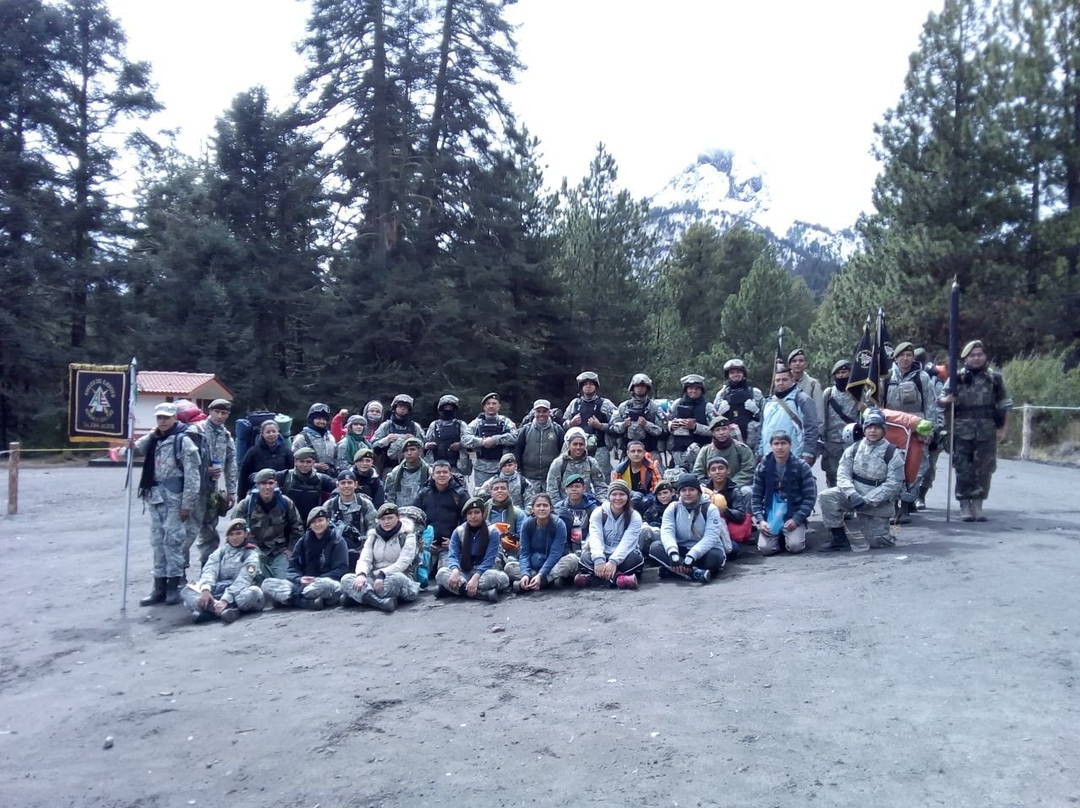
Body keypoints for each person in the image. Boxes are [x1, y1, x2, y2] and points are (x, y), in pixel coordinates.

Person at [132, 402, 203, 606]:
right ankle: (159, 586)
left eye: (166, 417)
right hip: (155, 497)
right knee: (157, 542)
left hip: (175, 499)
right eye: (159, 418)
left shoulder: (184, 441)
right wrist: (123, 446)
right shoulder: (153, 438)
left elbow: (192, 476)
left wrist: (187, 504)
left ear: (174, 418)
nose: (162, 421)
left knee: (173, 542)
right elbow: (135, 448)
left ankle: (175, 584)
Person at [939, 340, 1012, 521]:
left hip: (986, 429)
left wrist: (1004, 429)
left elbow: (1005, 404)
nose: (977, 358)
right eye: (973, 355)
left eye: (980, 354)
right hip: (961, 430)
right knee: (963, 468)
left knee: (985, 468)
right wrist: (946, 400)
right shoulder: (956, 378)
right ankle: (964, 504)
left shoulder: (994, 378)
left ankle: (978, 504)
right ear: (966, 358)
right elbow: (940, 400)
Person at [818, 409, 905, 552]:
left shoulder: (893, 454)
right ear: (864, 429)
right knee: (827, 497)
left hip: (877, 503)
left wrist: (867, 500)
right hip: (853, 496)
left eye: (877, 427)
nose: (873, 431)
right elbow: (842, 474)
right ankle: (839, 540)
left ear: (884, 430)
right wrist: (852, 493)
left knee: (878, 543)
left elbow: (893, 485)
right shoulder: (854, 449)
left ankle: (883, 532)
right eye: (869, 427)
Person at [885, 341, 940, 521]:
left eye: (909, 355)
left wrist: (930, 430)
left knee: (916, 466)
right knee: (892, 465)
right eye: (902, 355)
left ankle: (907, 503)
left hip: (917, 427)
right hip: (894, 427)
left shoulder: (922, 377)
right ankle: (892, 503)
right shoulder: (886, 377)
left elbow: (931, 405)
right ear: (896, 357)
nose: (905, 358)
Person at [182, 398, 238, 570]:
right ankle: (178, 573)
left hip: (212, 490)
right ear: (210, 411)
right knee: (188, 532)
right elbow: (184, 460)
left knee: (210, 532)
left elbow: (231, 463)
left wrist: (231, 491)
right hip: (193, 489)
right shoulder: (195, 431)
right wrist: (205, 470)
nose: (220, 416)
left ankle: (208, 570)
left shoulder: (226, 435)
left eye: (224, 413)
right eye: (217, 412)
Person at [261, 506, 348, 610]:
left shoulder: (337, 540)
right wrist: (299, 579)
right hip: (303, 584)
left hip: (325, 581)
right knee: (267, 584)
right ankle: (306, 601)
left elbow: (341, 569)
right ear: (310, 525)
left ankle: (292, 600)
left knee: (326, 585)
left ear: (327, 521)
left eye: (320, 520)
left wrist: (316, 580)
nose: (317, 524)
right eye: (313, 522)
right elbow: (292, 568)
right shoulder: (304, 541)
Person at [339, 502, 422, 612]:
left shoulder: (408, 536)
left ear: (398, 517)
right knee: (346, 579)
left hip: (398, 576)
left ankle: (359, 597)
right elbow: (365, 558)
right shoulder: (373, 536)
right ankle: (381, 602)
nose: (386, 522)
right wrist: (361, 574)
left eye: (390, 518)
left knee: (397, 579)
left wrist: (383, 574)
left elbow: (403, 562)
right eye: (383, 519)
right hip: (375, 578)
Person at [180, 518, 265, 623]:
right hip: (219, 590)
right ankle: (222, 610)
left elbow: (244, 579)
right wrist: (206, 589)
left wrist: (226, 599)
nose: (234, 537)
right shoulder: (221, 551)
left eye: (238, 533)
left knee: (253, 592)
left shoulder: (251, 554)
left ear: (246, 534)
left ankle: (215, 610)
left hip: (240, 591)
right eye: (231, 534)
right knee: (186, 591)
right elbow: (210, 569)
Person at [650, 472, 728, 582]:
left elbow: (711, 537)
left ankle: (675, 571)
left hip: (704, 551)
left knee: (714, 558)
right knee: (655, 547)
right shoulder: (673, 508)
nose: (687, 493)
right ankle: (695, 573)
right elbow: (667, 531)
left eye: (691, 490)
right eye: (683, 490)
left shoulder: (710, 509)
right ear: (678, 492)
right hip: (681, 549)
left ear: (698, 491)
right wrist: (673, 553)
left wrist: (692, 555)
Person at [229, 468, 303, 579]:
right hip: (253, 551)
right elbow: (233, 532)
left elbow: (297, 529)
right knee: (253, 580)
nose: (267, 487)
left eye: (270, 483)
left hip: (279, 552)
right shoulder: (245, 505)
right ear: (257, 485)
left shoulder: (285, 503)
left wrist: (290, 550)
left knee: (283, 582)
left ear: (276, 484)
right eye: (263, 483)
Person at [751, 431, 817, 556]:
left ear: (790, 445)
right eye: (776, 444)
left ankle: (792, 534)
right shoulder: (762, 467)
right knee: (766, 549)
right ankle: (779, 536)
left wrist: (796, 519)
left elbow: (809, 498)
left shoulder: (801, 466)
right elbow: (756, 497)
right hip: (771, 515)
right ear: (771, 446)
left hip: (793, 513)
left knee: (795, 546)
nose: (780, 447)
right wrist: (760, 520)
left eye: (783, 443)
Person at [435, 498, 511, 602]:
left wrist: (476, 577)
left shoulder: (492, 532)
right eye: (470, 513)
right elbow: (453, 555)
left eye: (477, 512)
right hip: (464, 570)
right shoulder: (459, 531)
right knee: (441, 573)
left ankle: (454, 589)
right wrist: (455, 570)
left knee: (502, 579)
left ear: (483, 514)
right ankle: (481, 594)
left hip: (485, 572)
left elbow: (490, 559)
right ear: (466, 516)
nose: (473, 516)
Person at [578, 480, 645, 589]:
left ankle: (594, 579)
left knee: (636, 559)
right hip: (603, 553)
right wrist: (599, 559)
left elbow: (628, 542)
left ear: (627, 497)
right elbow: (596, 537)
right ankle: (619, 579)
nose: (618, 498)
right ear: (609, 496)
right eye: (614, 494)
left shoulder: (634, 516)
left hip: (624, 556)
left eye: (622, 494)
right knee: (585, 557)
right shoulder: (598, 512)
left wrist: (613, 561)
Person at [412, 460, 469, 576]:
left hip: (449, 546)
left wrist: (455, 541)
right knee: (417, 575)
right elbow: (414, 520)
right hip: (427, 545)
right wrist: (422, 541)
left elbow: (468, 522)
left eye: (445, 472)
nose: (441, 475)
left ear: (450, 474)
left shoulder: (460, 494)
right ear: (432, 475)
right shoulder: (424, 494)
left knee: (445, 575)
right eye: (438, 472)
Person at [759, 364, 820, 466]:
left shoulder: (802, 400)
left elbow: (811, 428)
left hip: (795, 457)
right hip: (769, 457)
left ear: (792, 380)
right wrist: (759, 451)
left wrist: (808, 453)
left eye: (784, 380)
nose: (780, 383)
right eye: (777, 380)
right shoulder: (767, 402)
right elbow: (761, 430)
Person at [516, 493, 578, 591]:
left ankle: (540, 580)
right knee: (510, 566)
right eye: (538, 505)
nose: (542, 509)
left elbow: (555, 553)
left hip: (554, 563)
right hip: (534, 563)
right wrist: (525, 574)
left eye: (545, 505)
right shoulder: (527, 524)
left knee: (573, 559)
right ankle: (541, 579)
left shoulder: (559, 524)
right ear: (532, 509)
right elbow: (524, 553)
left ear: (551, 508)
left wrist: (541, 574)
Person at [562, 371, 618, 477]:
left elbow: (617, 427)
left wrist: (600, 426)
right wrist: (571, 423)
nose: (588, 386)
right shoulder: (574, 404)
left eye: (591, 384)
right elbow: (563, 425)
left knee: (601, 478)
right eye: (585, 384)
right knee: (577, 478)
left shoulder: (606, 404)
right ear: (581, 387)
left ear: (596, 386)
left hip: (600, 448)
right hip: (578, 448)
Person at [325, 470, 378, 571]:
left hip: (361, 551)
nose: (346, 486)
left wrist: (366, 550)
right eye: (343, 483)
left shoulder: (366, 504)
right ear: (337, 485)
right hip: (335, 551)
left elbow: (373, 530)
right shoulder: (329, 506)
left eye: (349, 482)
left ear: (356, 484)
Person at [514, 399, 564, 502]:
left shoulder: (557, 430)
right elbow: (518, 451)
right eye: (538, 411)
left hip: (550, 478)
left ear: (549, 413)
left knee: (550, 506)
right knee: (531, 506)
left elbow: (562, 453)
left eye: (544, 411)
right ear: (534, 412)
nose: (541, 414)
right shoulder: (525, 430)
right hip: (529, 477)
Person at [691, 416, 755, 497]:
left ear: (729, 430)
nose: (721, 433)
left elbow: (748, 470)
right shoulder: (706, 450)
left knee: (747, 491)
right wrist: (709, 486)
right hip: (711, 489)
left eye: (724, 429)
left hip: (736, 487)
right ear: (713, 433)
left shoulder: (741, 448)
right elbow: (698, 472)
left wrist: (730, 485)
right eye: (717, 430)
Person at [821, 360, 861, 488]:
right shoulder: (829, 393)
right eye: (838, 373)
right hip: (833, 441)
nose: (842, 376)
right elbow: (823, 417)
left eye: (844, 372)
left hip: (854, 440)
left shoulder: (858, 393)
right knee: (833, 474)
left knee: (854, 473)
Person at [712, 359, 765, 455]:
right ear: (728, 375)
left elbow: (766, 419)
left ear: (743, 374)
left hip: (752, 442)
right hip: (728, 442)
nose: (735, 375)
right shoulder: (721, 395)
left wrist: (757, 411)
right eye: (732, 373)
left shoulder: (755, 393)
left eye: (738, 372)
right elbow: (712, 421)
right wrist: (719, 414)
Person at [608, 374, 666, 459]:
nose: (640, 388)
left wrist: (647, 425)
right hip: (629, 453)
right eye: (637, 386)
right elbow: (611, 429)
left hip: (650, 452)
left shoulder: (655, 407)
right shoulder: (623, 407)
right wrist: (623, 425)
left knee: (655, 472)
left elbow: (664, 432)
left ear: (647, 388)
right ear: (632, 387)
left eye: (643, 386)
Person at [467, 393, 518, 489]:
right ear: (484, 407)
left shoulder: (505, 422)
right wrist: (482, 442)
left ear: (498, 406)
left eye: (494, 403)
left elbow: (515, 437)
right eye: (488, 403)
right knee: (481, 496)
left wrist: (495, 440)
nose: (491, 406)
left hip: (503, 468)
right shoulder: (476, 423)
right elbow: (465, 439)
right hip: (482, 469)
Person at [276, 446, 337, 524]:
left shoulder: (321, 479)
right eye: (301, 461)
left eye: (308, 462)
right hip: (289, 523)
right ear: (295, 461)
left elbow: (339, 487)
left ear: (313, 463)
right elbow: (262, 478)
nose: (305, 465)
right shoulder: (285, 476)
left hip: (313, 523)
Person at [701, 456, 753, 547]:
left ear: (727, 470)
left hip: (726, 528)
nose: (717, 472)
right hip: (706, 527)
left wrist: (722, 509)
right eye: (713, 469)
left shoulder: (734, 490)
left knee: (733, 549)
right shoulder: (703, 489)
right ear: (709, 473)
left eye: (721, 468)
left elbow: (740, 515)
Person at [547, 426, 609, 501]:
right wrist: (558, 508)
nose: (578, 447)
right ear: (568, 445)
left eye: (581, 444)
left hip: (587, 504)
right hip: (564, 506)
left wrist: (602, 504)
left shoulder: (591, 462)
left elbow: (600, 485)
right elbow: (552, 489)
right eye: (575, 444)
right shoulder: (558, 463)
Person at [667, 374, 715, 470]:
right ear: (686, 389)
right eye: (690, 388)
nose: (693, 391)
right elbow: (666, 422)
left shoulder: (708, 407)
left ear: (701, 390)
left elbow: (714, 430)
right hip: (678, 451)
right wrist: (671, 425)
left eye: (697, 388)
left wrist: (695, 427)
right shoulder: (676, 404)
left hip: (700, 452)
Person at [424, 394, 478, 476]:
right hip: (436, 465)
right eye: (446, 407)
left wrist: (460, 445)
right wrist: (428, 445)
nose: (448, 409)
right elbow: (424, 442)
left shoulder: (461, 425)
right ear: (441, 409)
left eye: (450, 407)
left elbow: (469, 442)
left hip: (457, 466)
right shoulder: (434, 425)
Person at [238, 418, 294, 496]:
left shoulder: (286, 451)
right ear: (262, 433)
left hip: (282, 493)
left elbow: (292, 473)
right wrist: (241, 497)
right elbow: (243, 475)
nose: (271, 434)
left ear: (278, 432)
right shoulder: (253, 452)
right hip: (258, 493)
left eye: (274, 431)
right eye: (268, 432)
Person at [371, 394, 425, 471]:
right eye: (400, 406)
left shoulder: (415, 427)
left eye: (405, 407)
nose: (402, 408)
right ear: (394, 408)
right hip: (388, 467)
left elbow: (425, 447)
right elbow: (372, 445)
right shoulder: (386, 426)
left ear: (409, 410)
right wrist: (386, 440)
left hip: (411, 467)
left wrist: (415, 440)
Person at [554, 474, 599, 557]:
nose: (574, 489)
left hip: (587, 542)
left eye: (577, 486)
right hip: (565, 543)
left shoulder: (593, 508)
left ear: (584, 489)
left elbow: (596, 529)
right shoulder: (558, 507)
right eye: (570, 487)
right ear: (566, 490)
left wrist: (589, 541)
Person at [292, 402, 338, 475]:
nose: (322, 422)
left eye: (324, 419)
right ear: (311, 419)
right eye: (319, 419)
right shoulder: (301, 438)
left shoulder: (330, 437)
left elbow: (336, 458)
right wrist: (314, 466)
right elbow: (294, 460)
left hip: (330, 476)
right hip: (308, 476)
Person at [382, 436, 431, 505]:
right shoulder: (395, 473)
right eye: (406, 450)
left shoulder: (429, 472)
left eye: (412, 449)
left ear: (420, 452)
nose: (409, 453)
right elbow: (390, 496)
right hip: (400, 511)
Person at [787, 348, 825, 425]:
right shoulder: (783, 383)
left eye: (801, 361)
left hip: (807, 429)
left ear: (805, 364)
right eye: (794, 361)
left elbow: (819, 413)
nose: (797, 363)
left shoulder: (813, 384)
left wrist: (817, 433)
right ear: (789, 365)